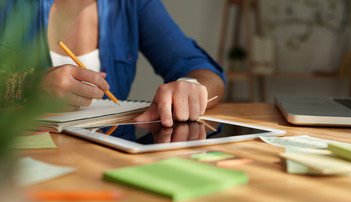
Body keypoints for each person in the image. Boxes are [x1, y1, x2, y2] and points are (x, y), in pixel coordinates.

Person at [0, 0, 225, 127]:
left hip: (110, 156)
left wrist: (190, 86)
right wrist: (27, 86)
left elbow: (205, 71)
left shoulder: (134, 5)